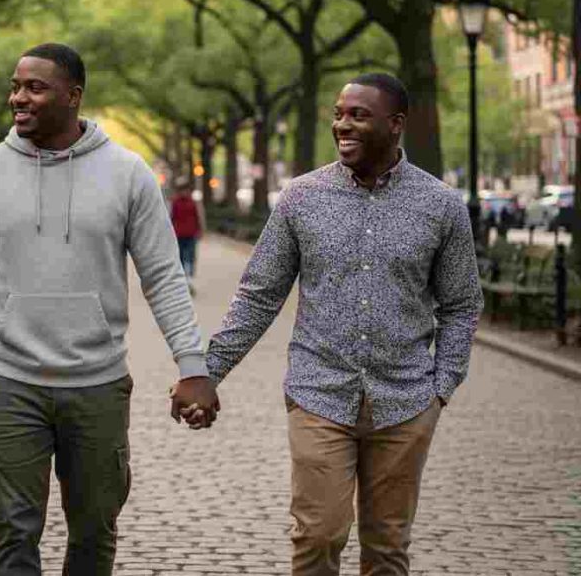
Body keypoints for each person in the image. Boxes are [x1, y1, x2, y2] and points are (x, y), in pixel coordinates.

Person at [0, 43, 219, 576]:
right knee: (12, 531)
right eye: (16, 86)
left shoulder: (128, 174)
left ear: (73, 95)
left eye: (35, 88)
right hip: (9, 382)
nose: (18, 98)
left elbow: (163, 277)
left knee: (94, 532)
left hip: (98, 385)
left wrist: (193, 366)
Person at [190, 73, 482, 575]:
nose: (342, 125)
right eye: (338, 114)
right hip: (319, 393)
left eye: (358, 116)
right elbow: (259, 295)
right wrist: (207, 373)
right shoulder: (302, 198)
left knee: (387, 547)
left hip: (406, 401)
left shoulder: (441, 206)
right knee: (318, 534)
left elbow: (461, 303)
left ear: (396, 125)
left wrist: (441, 388)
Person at [170, 178, 202, 291]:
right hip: (180, 234)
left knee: (189, 257)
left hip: (189, 234)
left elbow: (197, 217)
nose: (184, 192)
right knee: (183, 257)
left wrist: (199, 230)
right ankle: (185, 280)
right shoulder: (177, 203)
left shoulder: (190, 202)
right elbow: (172, 218)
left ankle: (188, 279)